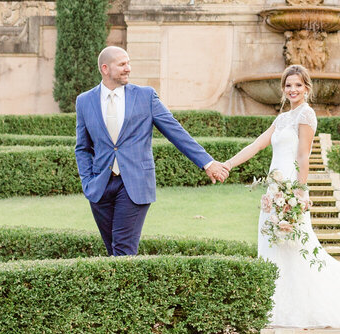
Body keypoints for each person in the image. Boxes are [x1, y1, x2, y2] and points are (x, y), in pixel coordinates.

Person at [218, 64, 340, 328]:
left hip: (290, 190)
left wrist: (298, 192)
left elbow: (303, 156)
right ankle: (276, 307)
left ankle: (300, 308)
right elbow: (257, 145)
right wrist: (227, 164)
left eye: (297, 85)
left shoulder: (306, 115)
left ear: (307, 88)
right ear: (283, 89)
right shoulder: (282, 119)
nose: (292, 89)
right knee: (271, 244)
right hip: (274, 190)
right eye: (288, 85)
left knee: (297, 247)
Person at [74, 45, 229, 256]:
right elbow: (82, 148)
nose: (128, 68)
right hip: (100, 186)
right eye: (122, 64)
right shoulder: (84, 101)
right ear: (105, 69)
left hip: (135, 184)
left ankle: (125, 288)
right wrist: (87, 181)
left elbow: (175, 131)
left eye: (129, 63)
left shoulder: (145, 96)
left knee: (123, 249)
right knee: (112, 249)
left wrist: (207, 163)